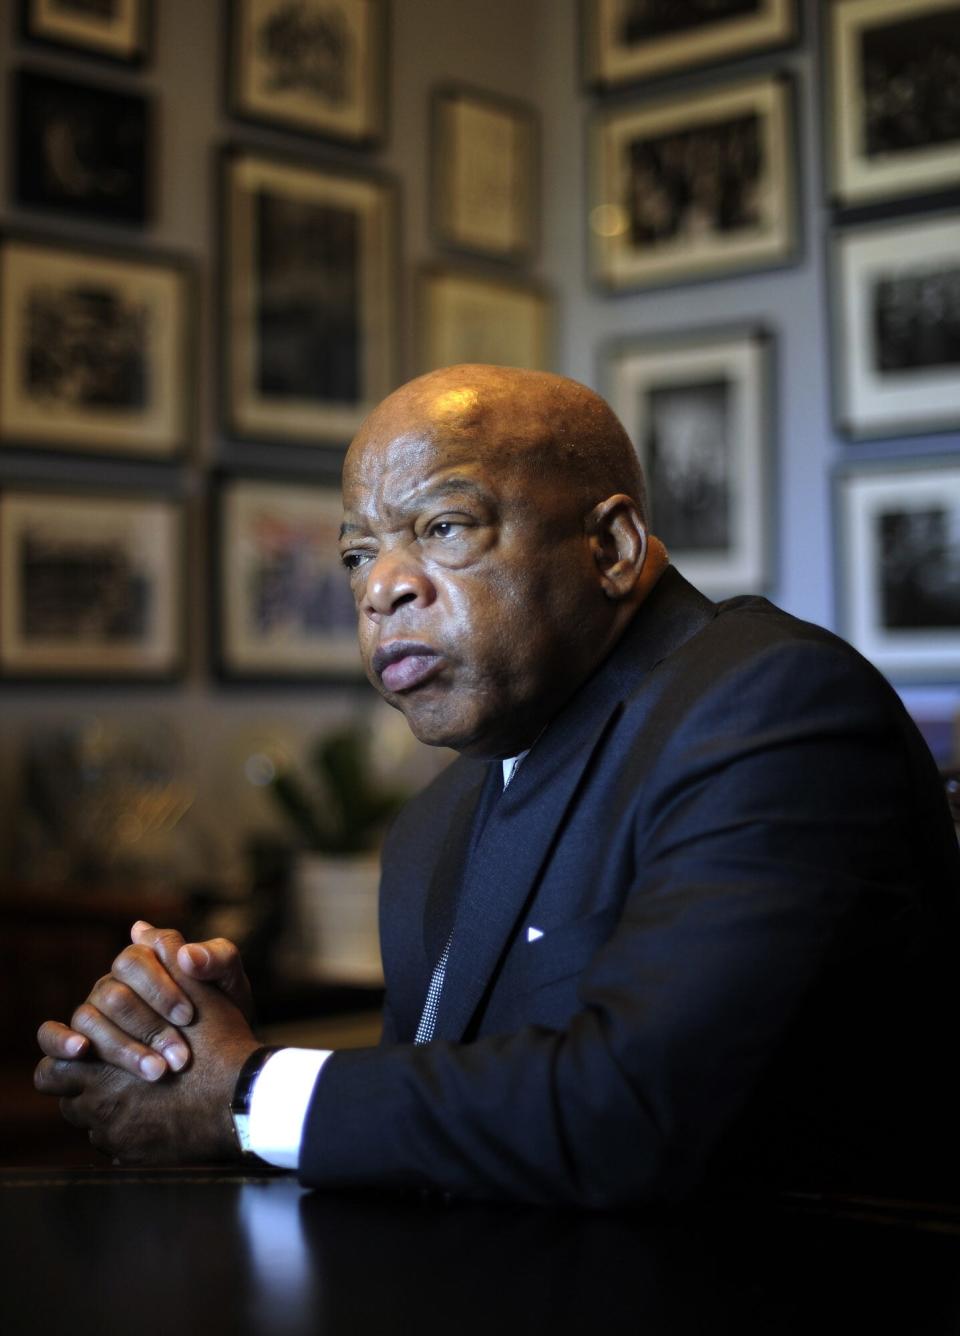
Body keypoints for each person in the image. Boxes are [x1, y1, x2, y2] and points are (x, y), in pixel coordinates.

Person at [35, 365, 960, 1207]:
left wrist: (245, 1090)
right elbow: (468, 1144)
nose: (383, 588)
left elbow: (633, 1111)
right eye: (359, 554)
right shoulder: (435, 827)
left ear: (612, 546)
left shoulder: (771, 705)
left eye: (443, 528)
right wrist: (191, 1048)